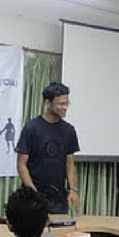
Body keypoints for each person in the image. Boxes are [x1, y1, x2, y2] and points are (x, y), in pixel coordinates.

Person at [16, 82, 80, 215]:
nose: (65, 107)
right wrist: (33, 193)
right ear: (48, 103)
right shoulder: (31, 128)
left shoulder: (69, 130)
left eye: (66, 103)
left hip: (58, 199)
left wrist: (72, 189)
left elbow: (69, 162)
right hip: (33, 197)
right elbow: (21, 164)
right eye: (60, 104)